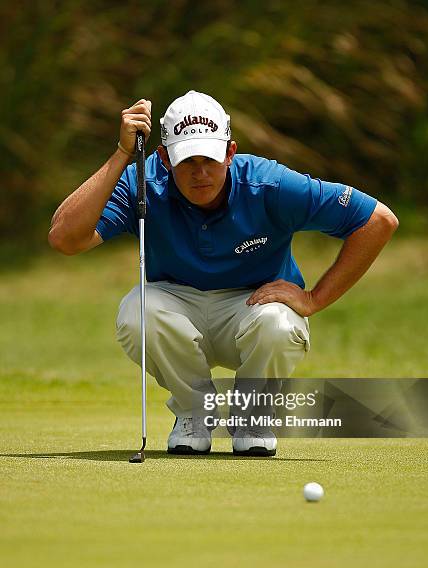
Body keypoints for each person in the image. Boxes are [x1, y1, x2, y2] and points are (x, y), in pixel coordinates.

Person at [48, 90, 399, 457]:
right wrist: (123, 154)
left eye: (210, 159)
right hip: (176, 304)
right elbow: (65, 239)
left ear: (230, 152)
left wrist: (314, 298)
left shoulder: (270, 184)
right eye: (187, 162)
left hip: (251, 306)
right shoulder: (145, 183)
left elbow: (377, 220)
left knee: (280, 323)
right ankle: (194, 413)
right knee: (137, 312)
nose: (200, 173)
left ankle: (253, 416)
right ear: (165, 158)